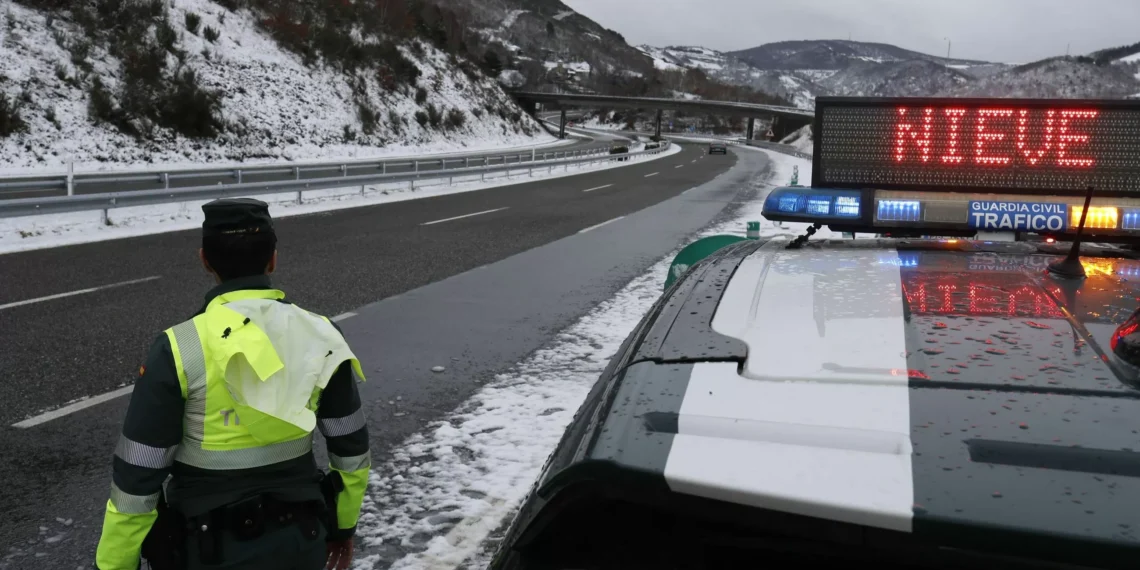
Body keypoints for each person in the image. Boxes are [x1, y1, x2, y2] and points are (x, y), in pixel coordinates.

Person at [94, 198, 371, 570]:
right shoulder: (321, 334)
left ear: (205, 260)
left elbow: (136, 480)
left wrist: (113, 566)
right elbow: (351, 452)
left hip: (203, 548)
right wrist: (342, 527)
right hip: (300, 541)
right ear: (273, 258)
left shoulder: (178, 347)